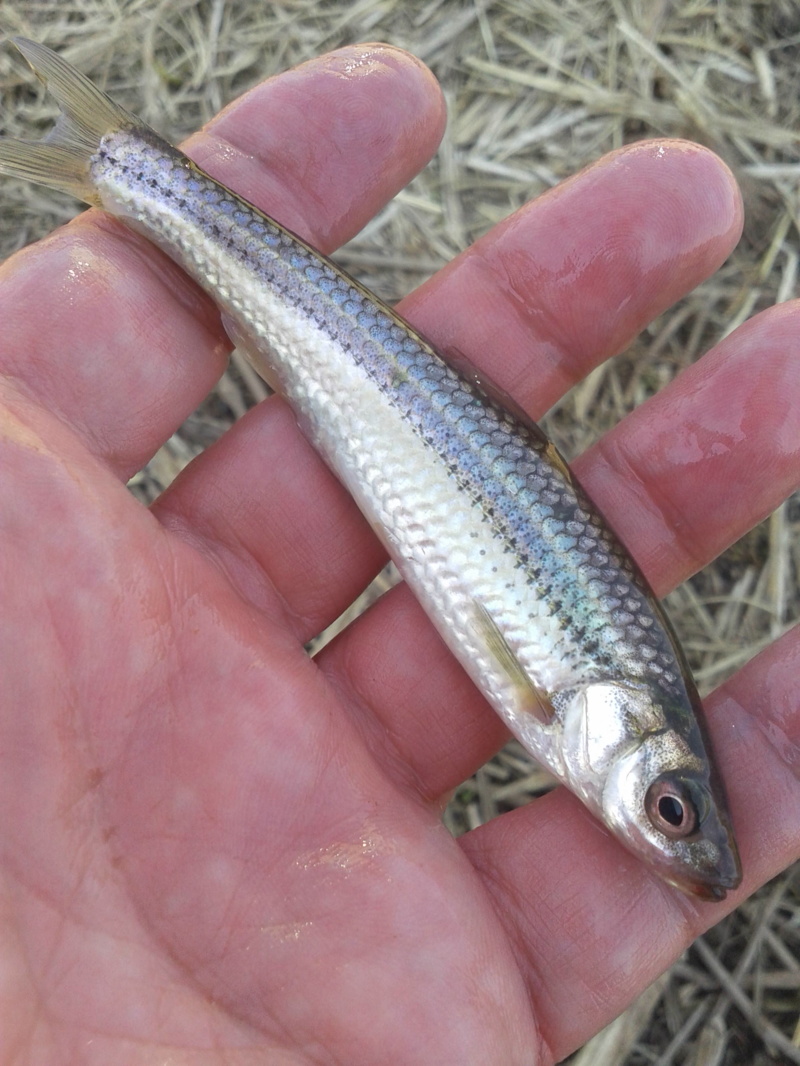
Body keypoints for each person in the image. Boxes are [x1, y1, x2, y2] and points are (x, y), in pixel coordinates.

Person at [0, 42, 797, 1066]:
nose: (658, 829)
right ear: (628, 730)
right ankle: (129, 172)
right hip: (400, 409)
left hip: (406, 412)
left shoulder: (587, 712)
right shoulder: (564, 703)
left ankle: (128, 173)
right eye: (666, 806)